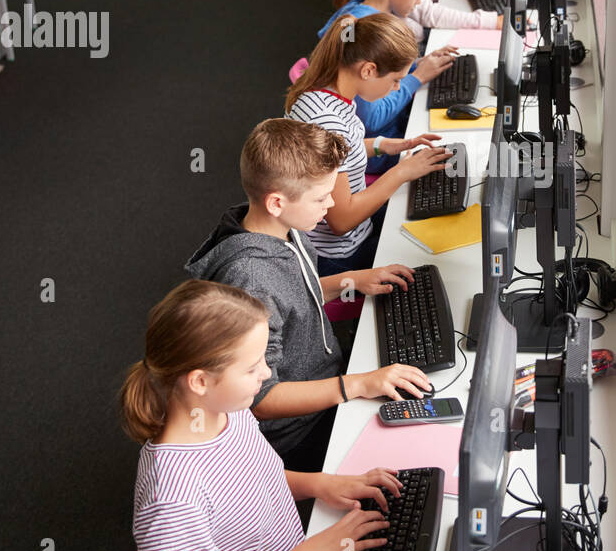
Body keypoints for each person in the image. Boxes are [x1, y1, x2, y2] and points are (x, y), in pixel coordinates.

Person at [185, 117, 434, 471]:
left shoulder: (284, 227)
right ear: (276, 202)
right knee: (410, 449)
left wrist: (350, 280)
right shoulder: (250, 280)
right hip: (298, 430)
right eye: (321, 197)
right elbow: (261, 397)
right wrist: (357, 385)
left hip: (327, 376)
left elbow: (291, 295)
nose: (331, 204)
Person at [123, 279, 400, 551]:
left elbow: (253, 479)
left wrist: (320, 484)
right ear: (200, 381)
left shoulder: (228, 410)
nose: (267, 374)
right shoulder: (172, 500)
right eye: (252, 368)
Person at [286, 12, 452, 275]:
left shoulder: (324, 93)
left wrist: (382, 145)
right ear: (368, 70)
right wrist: (401, 172)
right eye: (395, 80)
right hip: (340, 253)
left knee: (417, 206)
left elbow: (332, 158)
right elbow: (341, 221)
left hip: (341, 234)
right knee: (431, 251)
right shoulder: (330, 123)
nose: (398, 88)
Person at [319, 0, 503, 172]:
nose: (419, 2)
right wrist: (416, 78)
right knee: (469, 156)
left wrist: (418, 65)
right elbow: (372, 120)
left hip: (388, 134)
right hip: (381, 145)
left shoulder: (365, 10)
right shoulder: (369, 36)